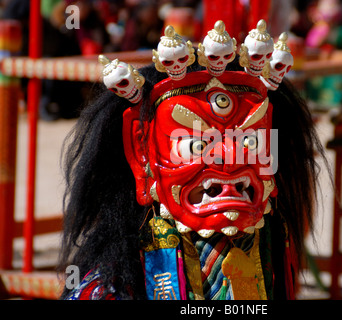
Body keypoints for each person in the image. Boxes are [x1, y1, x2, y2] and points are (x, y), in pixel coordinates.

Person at [58, 21, 326, 300]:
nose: (230, 161)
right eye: (196, 145)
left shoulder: (272, 255)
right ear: (142, 153)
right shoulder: (106, 291)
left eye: (250, 143)